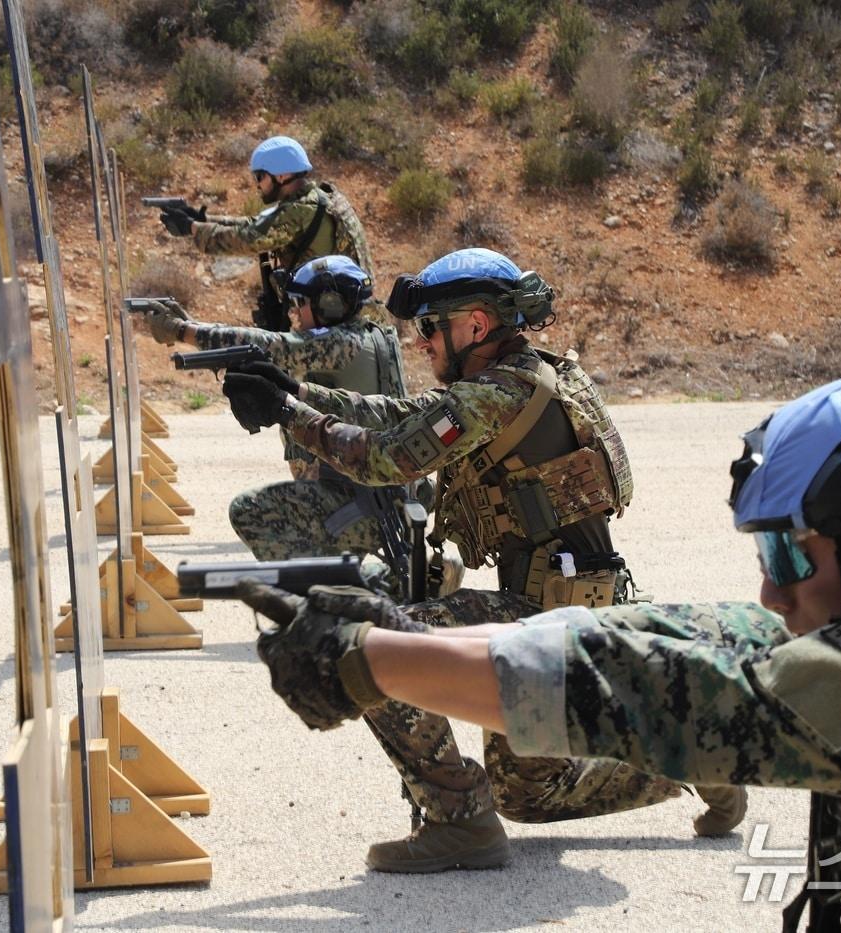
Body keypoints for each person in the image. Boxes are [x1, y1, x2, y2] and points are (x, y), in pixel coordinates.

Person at [243, 356, 841, 930]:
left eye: (795, 555)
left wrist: (368, 657)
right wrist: (399, 633)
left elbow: (686, 691)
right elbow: (679, 637)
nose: (774, 592)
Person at [221, 247, 737, 872]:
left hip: (543, 619)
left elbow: (389, 458)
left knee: (371, 646)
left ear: (475, 325)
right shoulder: (525, 377)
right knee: (527, 793)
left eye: (431, 327)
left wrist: (289, 415)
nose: (422, 342)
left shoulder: (500, 394)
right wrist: (298, 392)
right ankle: (691, 757)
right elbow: (406, 418)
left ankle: (457, 819)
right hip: (571, 613)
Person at [139, 256, 408, 572]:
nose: (295, 312)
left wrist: (184, 331)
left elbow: (271, 345)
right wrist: (199, 328)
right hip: (377, 495)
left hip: (365, 504)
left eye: (300, 303)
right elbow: (277, 346)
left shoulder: (342, 344)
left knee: (249, 510)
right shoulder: (371, 335)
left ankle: (330, 587)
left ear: (330, 304)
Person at [157, 135, 372, 330]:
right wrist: (204, 220)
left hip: (336, 319)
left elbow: (249, 239)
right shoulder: (318, 198)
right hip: (342, 309)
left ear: (282, 176)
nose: (257, 185)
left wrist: (191, 228)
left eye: (260, 177)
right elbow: (258, 224)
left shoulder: (300, 211)